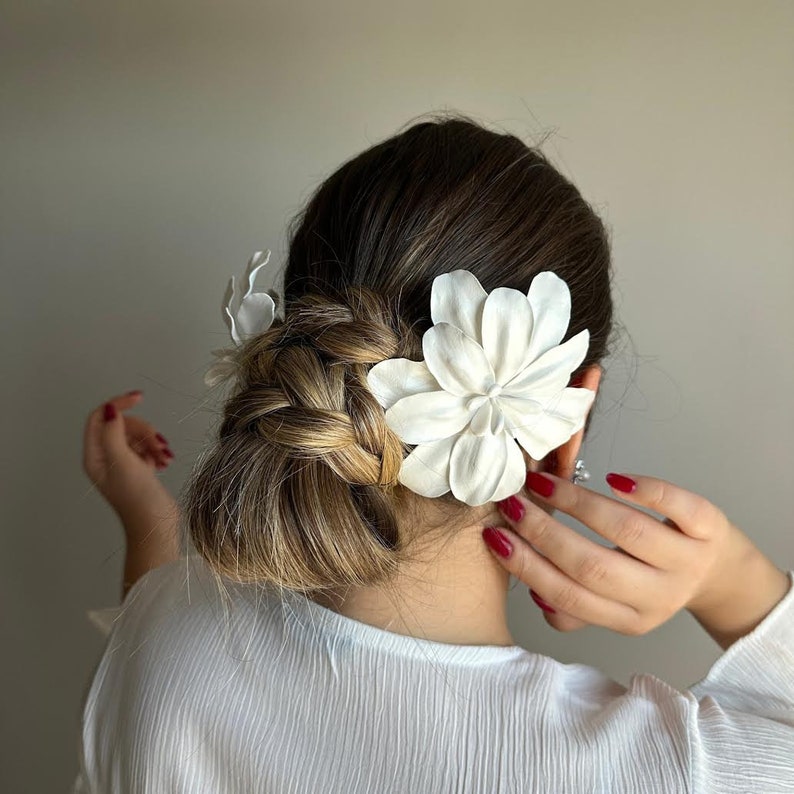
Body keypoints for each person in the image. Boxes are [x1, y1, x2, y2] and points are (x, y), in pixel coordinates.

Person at [75, 114, 794, 793]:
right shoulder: (674, 770)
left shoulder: (163, 641)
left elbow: (161, 611)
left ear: (294, 349)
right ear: (565, 416)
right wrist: (732, 582)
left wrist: (140, 507)